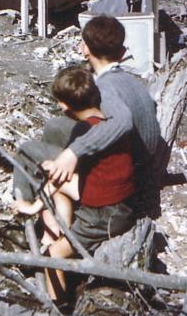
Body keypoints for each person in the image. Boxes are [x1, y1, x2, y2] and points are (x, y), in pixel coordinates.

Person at [13, 65, 136, 301]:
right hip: (121, 201)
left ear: (64, 105)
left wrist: (33, 207)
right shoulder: (108, 125)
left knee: (53, 256)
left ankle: (58, 309)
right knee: (59, 186)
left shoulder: (83, 131)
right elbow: (63, 180)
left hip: (105, 216)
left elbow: (59, 177)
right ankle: (59, 231)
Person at [43, 15, 166, 218]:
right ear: (122, 52)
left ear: (85, 50)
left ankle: (52, 197)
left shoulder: (105, 89)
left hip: (128, 182)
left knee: (55, 127)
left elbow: (122, 121)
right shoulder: (132, 81)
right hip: (145, 165)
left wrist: (74, 152)